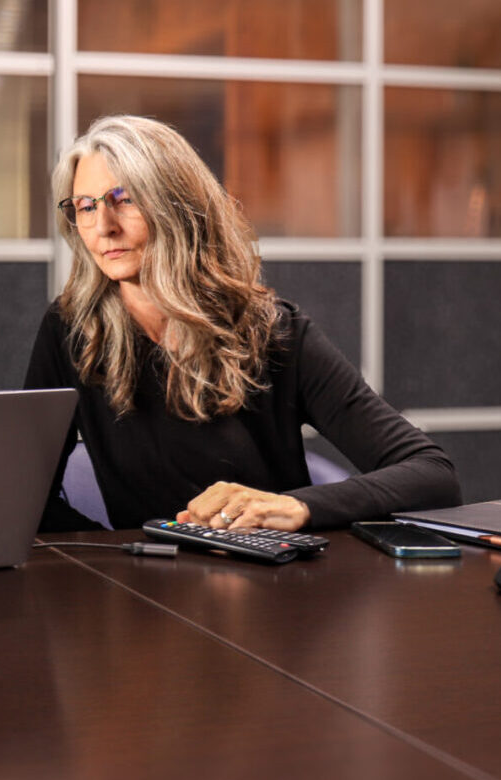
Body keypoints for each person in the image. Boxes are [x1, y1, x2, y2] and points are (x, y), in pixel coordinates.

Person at [25, 115, 460, 533]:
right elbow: (26, 498)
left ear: (177, 205)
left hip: (272, 586)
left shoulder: (275, 332)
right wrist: (119, 562)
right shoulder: (70, 330)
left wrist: (299, 506)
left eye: (125, 200)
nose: (103, 227)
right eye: (85, 206)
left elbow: (432, 476)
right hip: (145, 593)